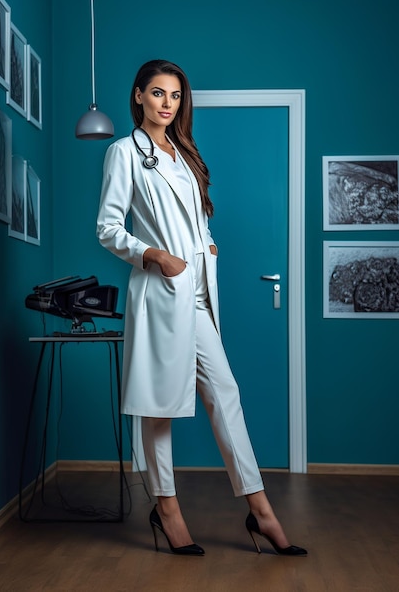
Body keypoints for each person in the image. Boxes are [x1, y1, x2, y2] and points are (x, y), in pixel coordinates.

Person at [96, 59, 307, 557]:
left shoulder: (185, 154)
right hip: (160, 289)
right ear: (138, 96)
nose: (167, 104)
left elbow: (194, 221)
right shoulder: (123, 153)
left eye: (174, 96)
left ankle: (260, 509)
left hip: (197, 292)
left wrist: (205, 246)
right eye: (157, 94)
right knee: (159, 407)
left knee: (223, 393)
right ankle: (167, 509)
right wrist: (154, 255)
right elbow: (107, 227)